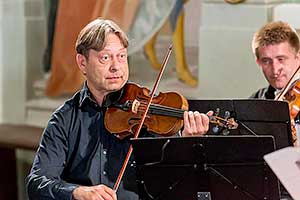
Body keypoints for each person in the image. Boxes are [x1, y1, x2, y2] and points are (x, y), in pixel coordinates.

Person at [26, 18, 211, 200]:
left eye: (121, 56)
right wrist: (77, 192)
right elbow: (37, 183)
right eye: (105, 58)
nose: (116, 67)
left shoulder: (148, 115)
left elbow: (170, 182)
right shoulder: (65, 119)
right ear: (82, 63)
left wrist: (185, 143)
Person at [251, 21, 300, 146]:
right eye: (266, 61)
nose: (275, 69)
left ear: (298, 57)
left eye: (281, 59)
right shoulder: (258, 99)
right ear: (258, 62)